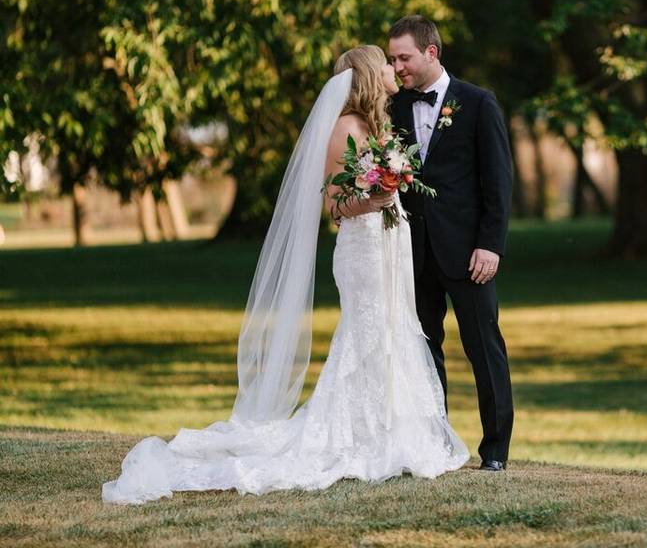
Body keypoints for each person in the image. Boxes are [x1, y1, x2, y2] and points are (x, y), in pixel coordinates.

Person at [102, 45, 469, 505]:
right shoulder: (344, 129)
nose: (395, 70)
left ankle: (390, 431)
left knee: (394, 329)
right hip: (363, 250)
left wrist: (390, 188)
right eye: (386, 64)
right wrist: (374, 199)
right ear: (370, 76)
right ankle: (361, 436)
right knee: (369, 333)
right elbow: (335, 205)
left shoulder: (374, 127)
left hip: (388, 243)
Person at [388, 15, 514, 472]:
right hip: (413, 251)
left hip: (469, 252)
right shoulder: (393, 108)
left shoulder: (478, 104)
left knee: (483, 346)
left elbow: (498, 182)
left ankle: (496, 451)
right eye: (392, 58)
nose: (397, 66)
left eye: (404, 57)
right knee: (424, 349)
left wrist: (491, 245)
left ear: (431, 52)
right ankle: (436, 445)